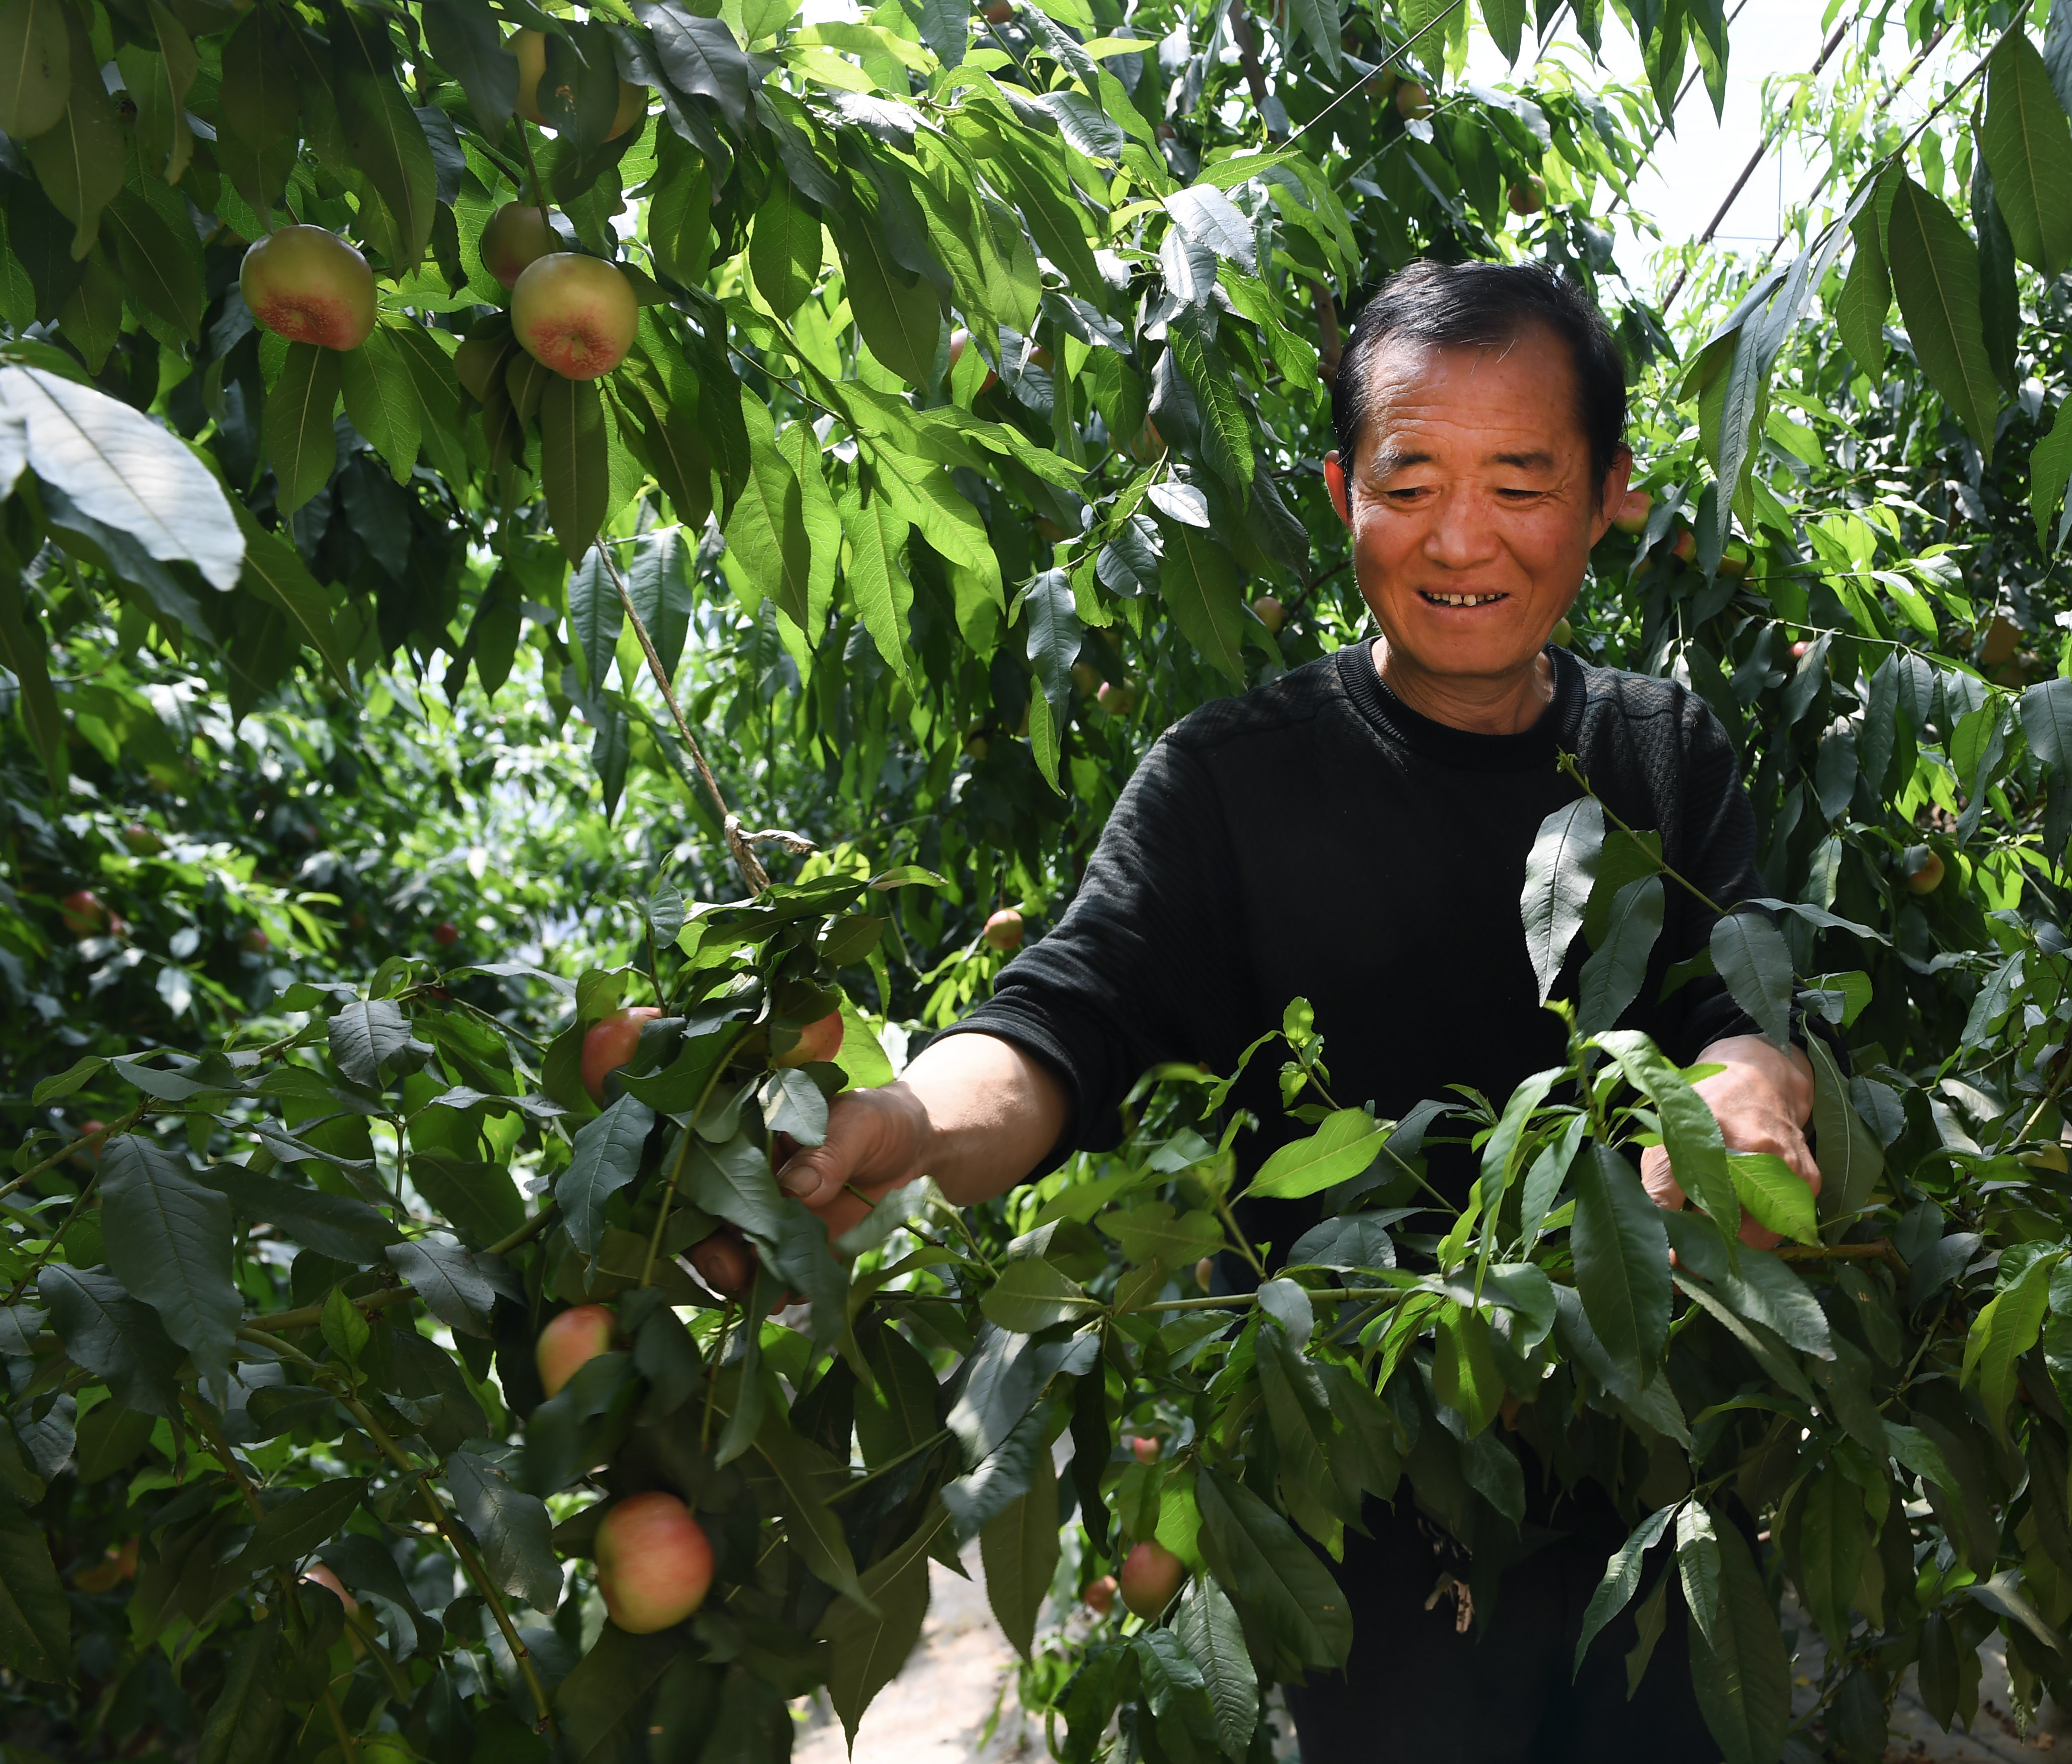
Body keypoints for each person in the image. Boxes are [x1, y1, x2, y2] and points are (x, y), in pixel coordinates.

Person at [775, 260, 1820, 1762]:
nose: (1462, 538)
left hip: (1655, 1489)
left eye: (1521, 484)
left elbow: (1746, 993)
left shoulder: (1657, 757)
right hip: (1365, 1526)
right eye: (1411, 480)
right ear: (1343, 491)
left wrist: (1747, 1095)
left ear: (1607, 500)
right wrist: (912, 1116)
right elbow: (1068, 1012)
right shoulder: (1230, 785)